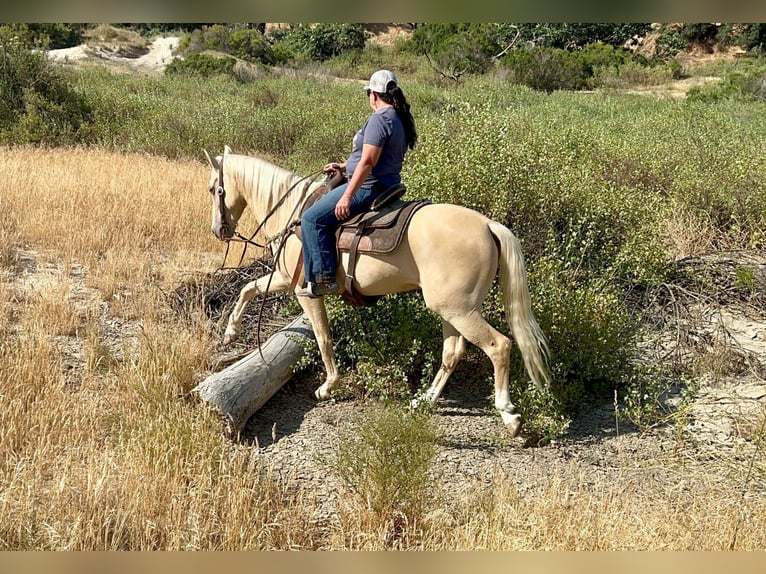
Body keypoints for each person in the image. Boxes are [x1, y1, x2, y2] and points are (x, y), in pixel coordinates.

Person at [297, 69, 418, 298]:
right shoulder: (398, 118)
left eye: (369, 94)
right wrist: (344, 167)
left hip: (368, 187)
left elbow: (369, 161)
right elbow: (376, 157)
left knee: (311, 219)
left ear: (374, 94)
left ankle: (324, 279)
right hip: (388, 183)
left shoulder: (379, 119)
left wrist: (347, 196)